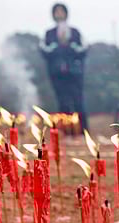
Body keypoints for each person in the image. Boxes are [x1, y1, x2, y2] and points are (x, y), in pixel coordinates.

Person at [40, 3, 88, 133]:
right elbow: (44, 51)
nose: (59, 14)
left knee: (78, 101)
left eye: (61, 11)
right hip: (57, 73)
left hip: (74, 72)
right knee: (63, 102)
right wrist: (57, 47)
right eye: (57, 11)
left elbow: (84, 49)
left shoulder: (75, 32)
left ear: (66, 13)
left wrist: (70, 47)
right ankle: (67, 131)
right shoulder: (49, 34)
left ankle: (83, 130)